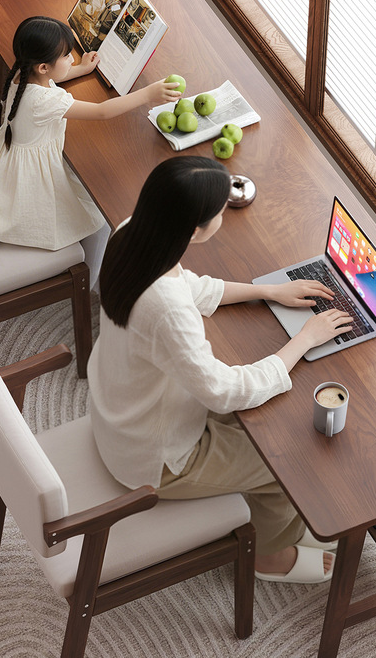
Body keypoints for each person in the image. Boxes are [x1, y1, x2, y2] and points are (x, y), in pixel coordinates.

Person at [87, 156, 354, 584]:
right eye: (220, 210)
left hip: (122, 413)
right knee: (285, 465)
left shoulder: (130, 234)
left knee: (265, 421)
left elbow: (188, 286)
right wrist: (303, 341)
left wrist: (269, 290)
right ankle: (270, 558)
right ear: (195, 228)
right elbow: (223, 392)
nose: (223, 214)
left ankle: (266, 520)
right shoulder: (168, 312)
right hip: (155, 457)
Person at [0, 16, 180, 288]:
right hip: (29, 176)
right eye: (67, 56)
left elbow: (54, 78)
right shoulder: (45, 101)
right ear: (44, 66)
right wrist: (149, 94)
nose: (71, 58)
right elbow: (102, 112)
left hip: (10, 159)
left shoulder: (21, 73)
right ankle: (83, 278)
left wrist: (79, 69)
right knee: (96, 213)